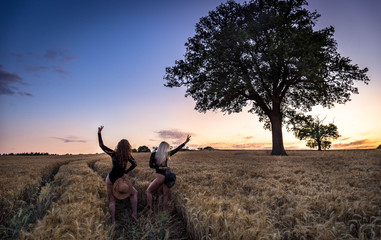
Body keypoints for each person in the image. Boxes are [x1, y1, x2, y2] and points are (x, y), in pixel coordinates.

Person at [98, 126, 138, 223]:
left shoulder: (114, 154)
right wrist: (125, 172)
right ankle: (134, 214)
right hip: (120, 179)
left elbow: (101, 145)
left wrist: (99, 133)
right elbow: (135, 164)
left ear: (118, 146)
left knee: (112, 200)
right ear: (128, 147)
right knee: (134, 193)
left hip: (111, 178)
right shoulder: (128, 156)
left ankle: (113, 222)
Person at [146, 135, 191, 215]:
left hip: (160, 176)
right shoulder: (167, 154)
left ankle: (150, 211)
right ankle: (164, 212)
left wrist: (159, 167)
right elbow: (177, 149)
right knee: (165, 194)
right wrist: (185, 142)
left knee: (148, 191)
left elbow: (151, 165)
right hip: (168, 175)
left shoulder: (154, 154)